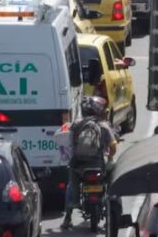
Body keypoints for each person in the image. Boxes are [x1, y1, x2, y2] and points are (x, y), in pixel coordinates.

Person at [60, 96, 118, 230]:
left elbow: (67, 141)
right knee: (112, 176)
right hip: (98, 166)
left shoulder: (76, 125)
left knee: (71, 184)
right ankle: (113, 206)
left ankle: (68, 217)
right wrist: (109, 157)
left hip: (79, 167)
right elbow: (113, 148)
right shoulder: (104, 126)